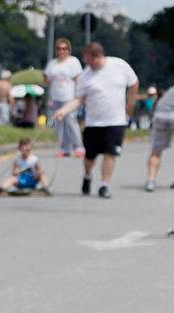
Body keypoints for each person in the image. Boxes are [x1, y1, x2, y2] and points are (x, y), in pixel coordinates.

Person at [54, 42, 139, 199]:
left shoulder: (119, 65)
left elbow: (134, 83)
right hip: (93, 122)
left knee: (110, 153)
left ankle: (104, 185)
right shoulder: (86, 75)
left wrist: (130, 105)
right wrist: (63, 111)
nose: (88, 64)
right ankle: (87, 176)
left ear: (98, 57)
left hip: (115, 121)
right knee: (90, 157)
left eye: (89, 60)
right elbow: (79, 99)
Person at [44, 37, 84, 157]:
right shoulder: (52, 64)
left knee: (71, 122)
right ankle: (64, 148)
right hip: (56, 96)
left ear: (68, 50)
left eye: (64, 49)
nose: (62, 51)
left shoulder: (73, 61)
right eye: (59, 49)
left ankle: (78, 147)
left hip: (70, 97)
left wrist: (79, 96)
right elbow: (46, 79)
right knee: (59, 124)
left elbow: (78, 79)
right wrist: (48, 79)